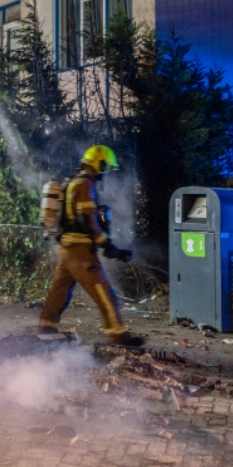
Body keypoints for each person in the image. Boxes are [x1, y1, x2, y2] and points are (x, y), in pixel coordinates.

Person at [38, 146, 143, 346]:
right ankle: (119, 336)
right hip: (80, 251)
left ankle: (45, 331)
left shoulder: (70, 182)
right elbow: (89, 220)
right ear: (99, 164)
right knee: (104, 293)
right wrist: (108, 245)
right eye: (105, 168)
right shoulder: (85, 184)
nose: (105, 173)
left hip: (66, 247)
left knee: (59, 293)